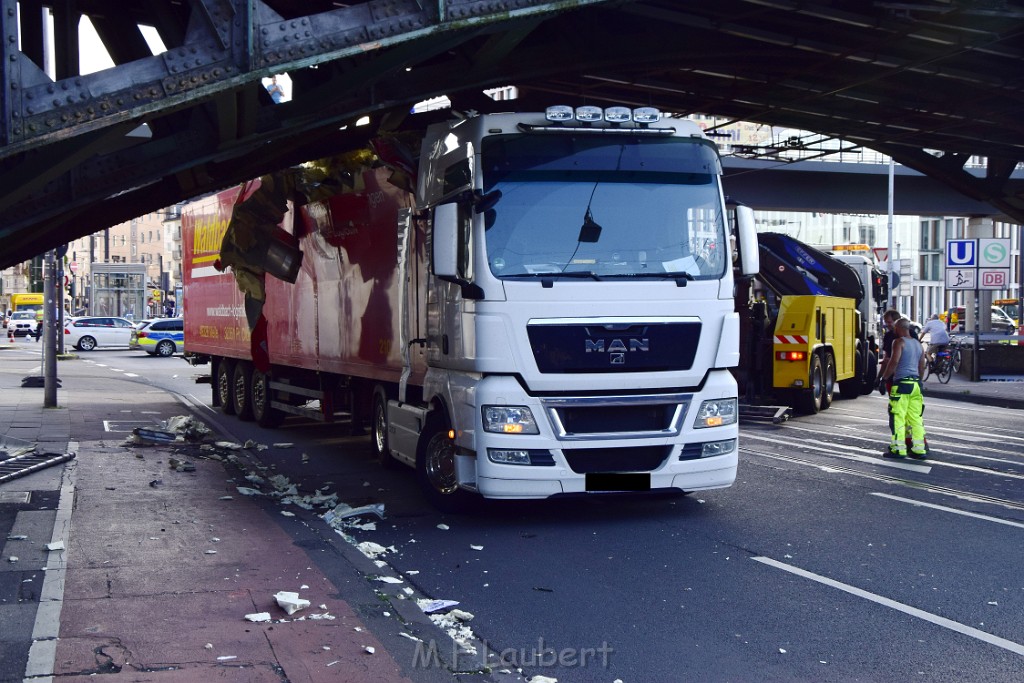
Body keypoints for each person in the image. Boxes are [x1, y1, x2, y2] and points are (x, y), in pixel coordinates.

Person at [878, 318, 927, 459]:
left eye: (895, 328)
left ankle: (898, 449)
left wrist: (884, 379)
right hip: (916, 385)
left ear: (898, 328)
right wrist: (920, 381)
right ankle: (919, 449)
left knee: (898, 417)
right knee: (915, 418)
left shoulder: (899, 342)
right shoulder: (918, 344)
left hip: (902, 384)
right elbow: (921, 366)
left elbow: (894, 362)